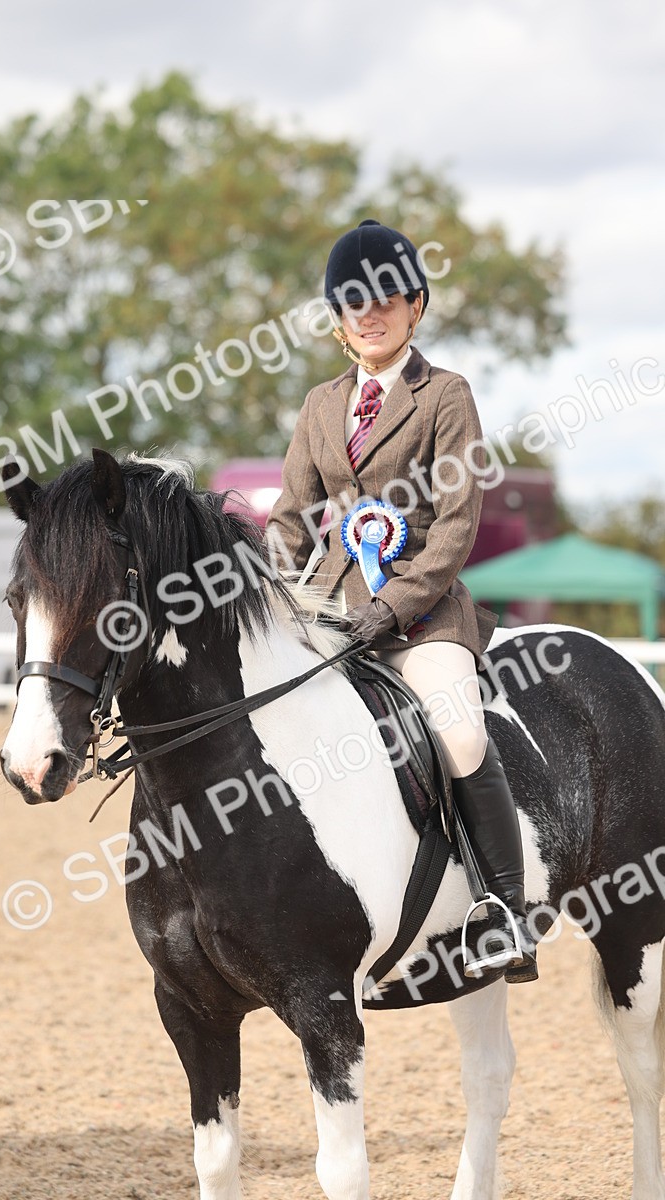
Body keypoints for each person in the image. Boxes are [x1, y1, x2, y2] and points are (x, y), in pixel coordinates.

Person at [266, 218, 537, 983]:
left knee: (458, 734)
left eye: (386, 298)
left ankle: (504, 912)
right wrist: (263, 598)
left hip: (423, 615)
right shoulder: (321, 406)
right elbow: (290, 518)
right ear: (338, 321)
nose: (370, 313)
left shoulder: (445, 395)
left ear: (415, 306)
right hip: (329, 611)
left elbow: (456, 527)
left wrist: (393, 610)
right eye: (355, 303)